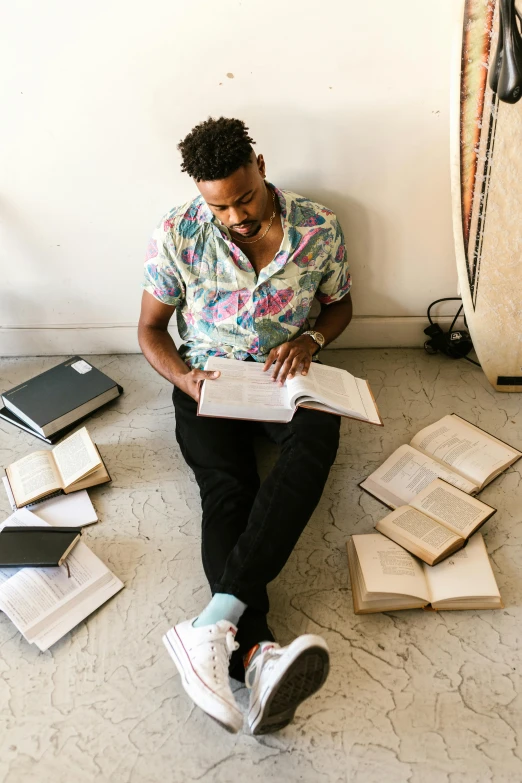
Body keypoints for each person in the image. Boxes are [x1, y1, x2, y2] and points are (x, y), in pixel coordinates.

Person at [138, 117, 353, 735]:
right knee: (228, 489)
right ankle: (257, 654)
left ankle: (211, 625)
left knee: (315, 445)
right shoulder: (178, 232)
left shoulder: (319, 226)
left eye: (245, 198)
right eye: (221, 206)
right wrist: (186, 380)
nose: (236, 216)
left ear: (260, 165)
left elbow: (339, 304)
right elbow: (150, 331)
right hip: (208, 378)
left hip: (287, 375)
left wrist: (311, 338)